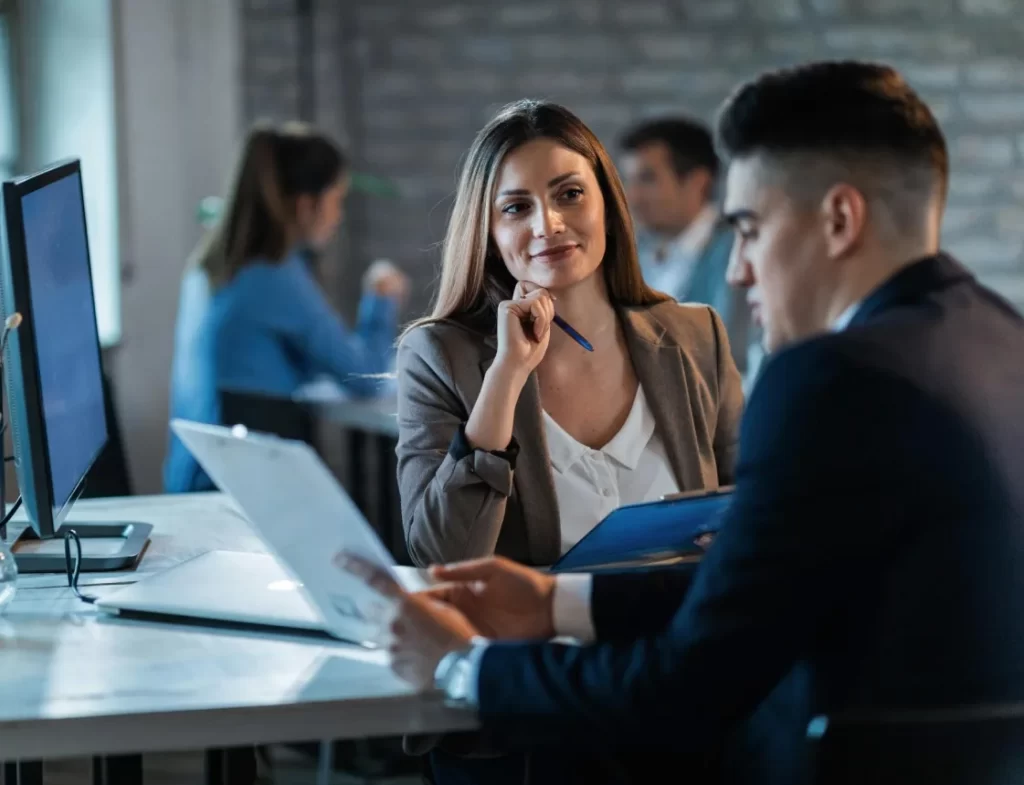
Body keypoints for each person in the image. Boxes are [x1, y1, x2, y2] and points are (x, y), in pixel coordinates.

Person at [343, 61, 1024, 784]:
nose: (736, 270)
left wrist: (461, 667)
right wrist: (558, 600)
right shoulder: (1000, 337)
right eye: (515, 207)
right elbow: (763, 579)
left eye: (750, 228)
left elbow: (692, 677)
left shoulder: (827, 378)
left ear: (839, 218)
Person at [396, 98, 743, 570]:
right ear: (489, 232)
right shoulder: (438, 355)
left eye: (570, 194)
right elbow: (445, 557)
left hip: (678, 634)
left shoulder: (696, 335)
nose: (549, 224)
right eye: (517, 207)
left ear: (607, 203)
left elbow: (753, 509)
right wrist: (506, 376)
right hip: (538, 641)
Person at [163, 122, 408, 494]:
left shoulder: (209, 267)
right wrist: (380, 299)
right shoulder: (274, 276)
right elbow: (363, 374)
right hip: (241, 489)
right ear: (306, 205)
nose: (339, 215)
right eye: (336, 199)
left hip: (192, 478)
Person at [620, 117, 756, 382]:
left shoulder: (740, 252)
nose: (631, 196)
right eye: (628, 180)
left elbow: (735, 357)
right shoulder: (637, 255)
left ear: (698, 182)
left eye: (647, 179)